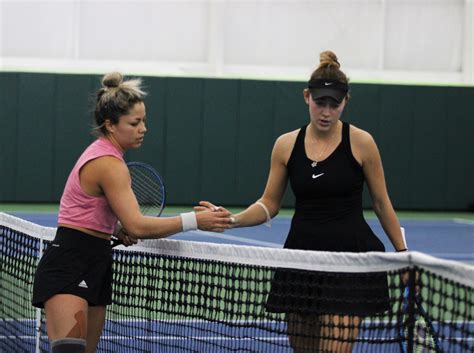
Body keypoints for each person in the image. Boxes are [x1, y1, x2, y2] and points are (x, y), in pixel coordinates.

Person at [196, 51, 408, 353]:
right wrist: (232, 220)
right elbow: (269, 203)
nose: (326, 111)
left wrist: (403, 254)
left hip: (349, 262)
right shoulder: (285, 145)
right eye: (320, 102)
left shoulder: (362, 142)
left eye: (334, 104)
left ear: (345, 101)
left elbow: (382, 203)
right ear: (306, 96)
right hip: (300, 260)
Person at [32, 72, 232, 353]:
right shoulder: (108, 164)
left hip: (97, 258)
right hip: (69, 261)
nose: (143, 128)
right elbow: (137, 225)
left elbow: (87, 210)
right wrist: (195, 220)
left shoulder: (108, 157)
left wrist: (114, 230)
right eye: (135, 123)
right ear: (110, 125)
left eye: (144, 121)